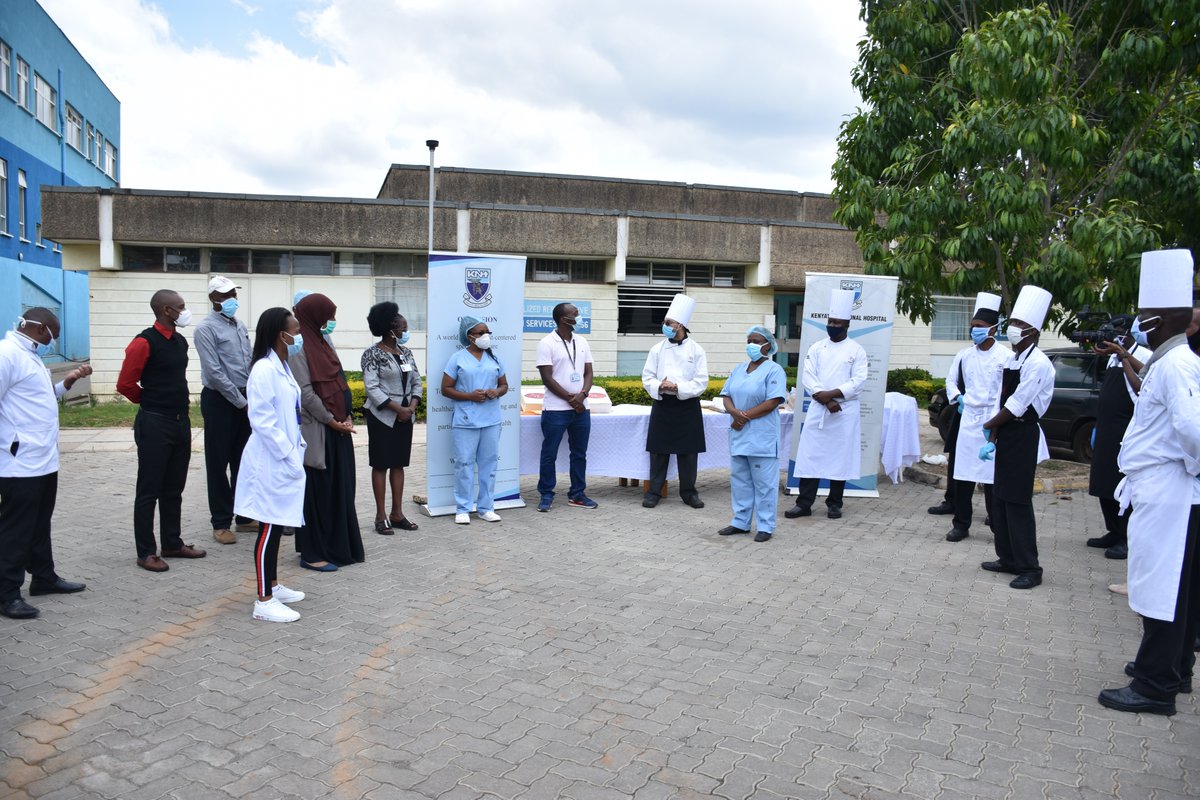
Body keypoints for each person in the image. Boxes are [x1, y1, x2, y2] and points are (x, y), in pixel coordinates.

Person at [1098, 250, 1200, 717]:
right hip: (1163, 486)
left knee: (1161, 586)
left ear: (1164, 318)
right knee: (1177, 586)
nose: (1137, 323)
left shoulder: (1177, 364)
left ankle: (1155, 685)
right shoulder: (1167, 361)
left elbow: (1193, 431)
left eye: (1142, 316)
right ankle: (1171, 670)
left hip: (1168, 490)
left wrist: (1192, 471)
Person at [0, 309, 90, 619]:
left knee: (40, 523)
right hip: (18, 462)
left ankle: (43, 577)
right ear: (40, 329)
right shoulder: (6, 354)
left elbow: (36, 398)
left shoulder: (31, 355)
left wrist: (68, 382)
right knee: (16, 529)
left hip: (42, 459)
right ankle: (7, 593)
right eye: (54, 333)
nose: (55, 340)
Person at [117, 290, 207, 572]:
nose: (185, 310)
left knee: (174, 488)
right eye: (181, 306)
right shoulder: (144, 342)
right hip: (155, 422)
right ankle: (146, 551)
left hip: (180, 422)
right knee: (149, 489)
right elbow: (126, 384)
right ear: (167, 310)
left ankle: (172, 542)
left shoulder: (179, 341)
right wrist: (150, 400)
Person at [235, 308, 308, 623]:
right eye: (296, 328)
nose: (300, 333)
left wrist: (297, 447)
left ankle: (273, 586)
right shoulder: (264, 370)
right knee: (267, 527)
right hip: (270, 459)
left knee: (277, 523)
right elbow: (262, 421)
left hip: (285, 456)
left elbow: (290, 412)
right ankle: (263, 601)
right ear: (282, 334)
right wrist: (288, 453)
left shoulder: (282, 366)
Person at [979, 285, 1054, 590]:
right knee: (999, 498)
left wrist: (988, 424)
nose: (1012, 329)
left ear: (1033, 331)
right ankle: (1007, 557)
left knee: (1018, 501)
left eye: (1019, 325)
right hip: (1007, 433)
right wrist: (993, 436)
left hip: (1023, 433)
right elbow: (1003, 398)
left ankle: (1029, 567)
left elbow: (1016, 405)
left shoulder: (1038, 363)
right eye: (1012, 323)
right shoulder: (1014, 359)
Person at [290, 293, 362, 571]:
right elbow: (305, 394)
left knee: (339, 489)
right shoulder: (299, 348)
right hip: (319, 432)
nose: (332, 321)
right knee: (317, 492)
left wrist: (346, 415)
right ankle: (312, 552)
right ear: (314, 316)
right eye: (329, 316)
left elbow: (338, 381)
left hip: (337, 429)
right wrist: (332, 420)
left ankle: (336, 547)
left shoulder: (322, 342)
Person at [786, 288, 868, 521]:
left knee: (839, 459)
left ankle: (835, 503)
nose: (832, 325)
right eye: (830, 321)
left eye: (837, 322)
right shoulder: (817, 347)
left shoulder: (856, 350)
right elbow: (808, 376)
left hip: (843, 412)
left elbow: (859, 381)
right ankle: (804, 504)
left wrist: (834, 396)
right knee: (811, 456)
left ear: (846, 325)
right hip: (819, 409)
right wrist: (825, 398)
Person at [941, 292, 1010, 542]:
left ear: (993, 329)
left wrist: (997, 423)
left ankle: (997, 525)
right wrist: (957, 397)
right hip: (968, 420)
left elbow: (1008, 392)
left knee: (992, 479)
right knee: (962, 477)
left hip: (991, 423)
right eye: (973, 327)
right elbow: (951, 380)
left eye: (979, 327)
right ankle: (961, 524)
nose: (974, 332)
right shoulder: (964, 355)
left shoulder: (1006, 357)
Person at [194, 275, 255, 546]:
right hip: (220, 400)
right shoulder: (205, 329)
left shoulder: (239, 325)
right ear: (212, 299)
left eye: (233, 294)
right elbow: (214, 372)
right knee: (218, 463)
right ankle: (220, 522)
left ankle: (243, 517)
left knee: (243, 460)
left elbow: (250, 360)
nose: (231, 300)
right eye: (224, 295)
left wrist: (251, 393)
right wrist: (240, 402)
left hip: (244, 398)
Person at [1086, 317, 1149, 560]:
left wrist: (1123, 356)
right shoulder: (1113, 355)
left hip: (1127, 429)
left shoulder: (1141, 353)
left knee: (1123, 485)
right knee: (1103, 483)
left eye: (1119, 331)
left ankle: (1126, 537)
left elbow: (1140, 386)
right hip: (1106, 428)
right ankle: (1112, 530)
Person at [719, 326, 787, 543]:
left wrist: (743, 417)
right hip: (740, 435)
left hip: (761, 437)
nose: (752, 345)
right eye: (749, 340)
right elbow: (726, 395)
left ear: (768, 345)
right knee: (740, 482)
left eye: (756, 341)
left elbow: (773, 401)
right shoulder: (738, 369)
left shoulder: (774, 370)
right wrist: (733, 413)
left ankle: (766, 525)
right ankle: (740, 522)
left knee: (765, 484)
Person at [641, 294, 709, 509]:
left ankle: (689, 493)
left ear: (680, 325)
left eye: (668, 323)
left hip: (687, 405)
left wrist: (678, 387)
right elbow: (647, 377)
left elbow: (701, 382)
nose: (665, 326)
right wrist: (660, 385)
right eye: (664, 323)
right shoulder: (656, 349)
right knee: (658, 451)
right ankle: (654, 492)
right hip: (663, 404)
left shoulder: (696, 350)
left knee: (688, 453)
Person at [441, 317, 509, 524]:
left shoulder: (494, 358)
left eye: (487, 332)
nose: (485, 336)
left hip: (491, 419)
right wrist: (470, 396)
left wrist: (495, 392)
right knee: (464, 464)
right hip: (465, 420)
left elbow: (504, 385)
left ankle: (486, 507)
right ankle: (463, 508)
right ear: (469, 336)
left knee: (489, 464)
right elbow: (445, 389)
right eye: (481, 333)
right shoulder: (457, 358)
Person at [361, 302, 421, 534]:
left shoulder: (406, 353)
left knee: (399, 464)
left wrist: (412, 406)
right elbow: (372, 387)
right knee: (381, 464)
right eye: (403, 329)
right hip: (383, 417)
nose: (405, 333)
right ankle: (380, 516)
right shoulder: (372, 354)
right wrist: (398, 409)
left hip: (406, 416)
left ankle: (397, 513)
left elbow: (416, 380)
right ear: (390, 329)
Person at [535, 302, 596, 512]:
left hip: (581, 408)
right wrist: (572, 399)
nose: (579, 318)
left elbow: (589, 372)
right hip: (555, 409)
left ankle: (577, 494)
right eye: (575, 314)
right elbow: (547, 378)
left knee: (579, 453)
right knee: (549, 453)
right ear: (563, 319)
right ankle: (546, 495)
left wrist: (583, 395)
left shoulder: (582, 342)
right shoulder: (546, 343)